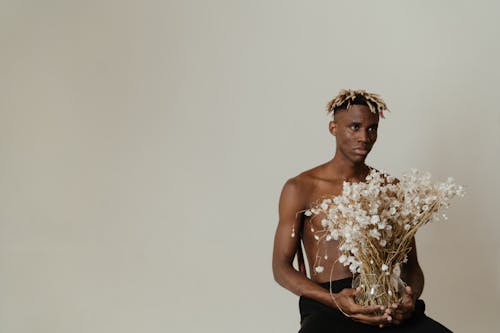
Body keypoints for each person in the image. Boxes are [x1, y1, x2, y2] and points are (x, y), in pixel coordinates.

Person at [272, 89, 452, 332]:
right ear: (333, 128)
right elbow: (281, 268)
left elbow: (412, 268)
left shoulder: (389, 188)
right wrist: (336, 301)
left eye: (372, 128)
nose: (364, 137)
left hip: (384, 302)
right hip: (328, 303)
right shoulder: (301, 188)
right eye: (354, 127)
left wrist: (408, 298)